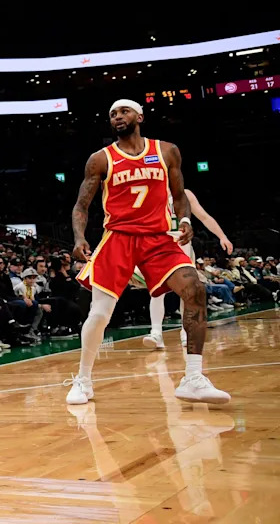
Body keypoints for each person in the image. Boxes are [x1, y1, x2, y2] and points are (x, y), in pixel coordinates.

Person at [68, 99, 229, 405]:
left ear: (139, 116)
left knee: (195, 289)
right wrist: (78, 237)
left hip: (158, 238)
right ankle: (83, 380)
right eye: (112, 113)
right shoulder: (100, 159)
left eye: (124, 111)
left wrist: (183, 219)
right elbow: (81, 205)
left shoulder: (167, 150)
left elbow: (180, 196)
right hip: (118, 238)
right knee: (100, 314)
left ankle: (193, 378)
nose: (118, 117)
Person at [143, 188, 234, 350]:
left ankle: (187, 331)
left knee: (187, 292)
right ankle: (156, 333)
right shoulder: (151, 190)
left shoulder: (185, 194)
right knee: (157, 291)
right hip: (159, 246)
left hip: (182, 247)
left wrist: (222, 236)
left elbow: (204, 217)